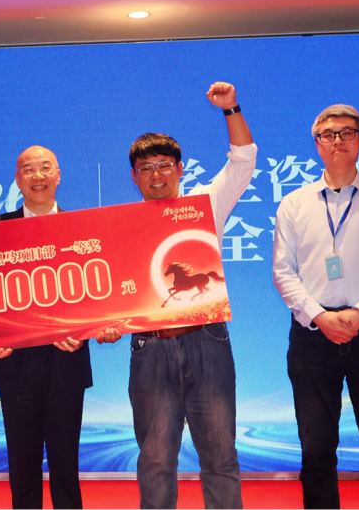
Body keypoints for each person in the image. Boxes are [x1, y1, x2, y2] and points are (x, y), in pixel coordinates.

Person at [97, 82, 255, 510]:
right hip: (150, 350)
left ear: (180, 169)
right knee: (154, 461)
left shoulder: (204, 206)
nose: (156, 175)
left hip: (207, 341)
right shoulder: (118, 227)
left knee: (220, 457)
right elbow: (109, 293)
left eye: (164, 165)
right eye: (145, 168)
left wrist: (230, 109)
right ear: (134, 177)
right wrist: (106, 325)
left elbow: (243, 160)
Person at [272, 105, 359, 510]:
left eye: (347, 132)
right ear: (316, 144)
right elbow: (282, 271)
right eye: (328, 134)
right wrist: (319, 316)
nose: (338, 141)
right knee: (316, 448)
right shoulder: (294, 204)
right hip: (312, 335)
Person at [0, 146, 91, 510]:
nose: (38, 176)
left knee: (66, 465)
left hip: (67, 363)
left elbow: (97, 294)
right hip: (14, 365)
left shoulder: (83, 228)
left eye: (45, 168)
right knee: (22, 465)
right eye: (28, 169)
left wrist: (85, 330)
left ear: (58, 175)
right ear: (17, 179)